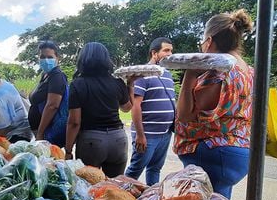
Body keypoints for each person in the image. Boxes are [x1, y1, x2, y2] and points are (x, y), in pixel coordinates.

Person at [173, 9, 254, 200]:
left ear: (209, 41)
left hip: (212, 151)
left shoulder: (218, 72)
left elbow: (185, 114)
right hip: (240, 151)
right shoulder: (250, 72)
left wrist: (191, 73)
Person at [65, 42, 133, 177]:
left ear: (82, 60)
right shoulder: (117, 82)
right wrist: (130, 85)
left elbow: (74, 122)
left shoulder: (78, 84)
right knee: (114, 188)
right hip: (118, 140)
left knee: (87, 189)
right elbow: (127, 108)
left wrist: (68, 150)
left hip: (91, 141)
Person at [124, 37, 176, 186]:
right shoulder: (142, 74)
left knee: (155, 169)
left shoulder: (167, 75)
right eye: (166, 50)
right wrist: (140, 135)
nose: (170, 54)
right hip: (147, 135)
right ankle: (119, 199)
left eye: (171, 50)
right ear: (154, 53)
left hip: (165, 134)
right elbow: (135, 106)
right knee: (134, 171)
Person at [28, 40, 69, 147]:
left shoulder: (57, 76)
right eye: (42, 57)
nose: (46, 60)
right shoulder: (45, 75)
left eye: (50, 57)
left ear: (57, 58)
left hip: (48, 132)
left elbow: (52, 106)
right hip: (42, 131)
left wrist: (40, 133)